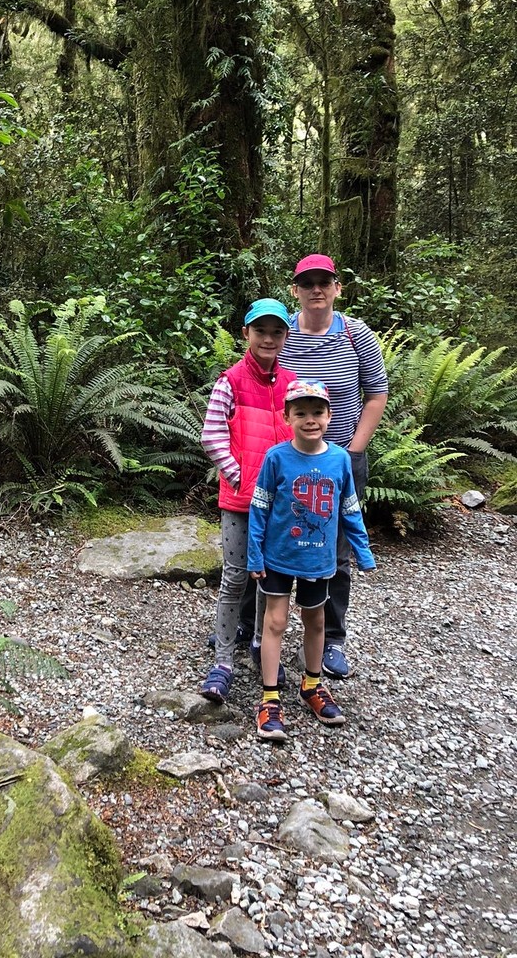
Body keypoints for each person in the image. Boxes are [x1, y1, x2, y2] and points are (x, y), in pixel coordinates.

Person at [277, 253, 388, 679]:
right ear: (296, 290)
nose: (317, 289)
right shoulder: (281, 333)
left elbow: (375, 393)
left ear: (338, 288)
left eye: (325, 282)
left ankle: (332, 639)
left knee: (336, 552)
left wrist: (354, 451)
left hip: (340, 460)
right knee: (274, 541)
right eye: (308, 283)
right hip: (287, 461)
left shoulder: (356, 335)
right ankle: (258, 630)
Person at [248, 379, 376, 743]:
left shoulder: (339, 459)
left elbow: (349, 508)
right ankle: (270, 697)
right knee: (274, 621)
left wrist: (362, 550)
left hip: (319, 561)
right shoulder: (276, 458)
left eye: (317, 412)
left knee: (316, 619)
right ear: (287, 416)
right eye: (300, 412)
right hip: (278, 557)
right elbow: (259, 509)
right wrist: (255, 553)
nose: (310, 419)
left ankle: (313, 684)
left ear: (329, 415)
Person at [198, 298, 296, 703]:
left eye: (276, 332)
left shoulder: (293, 384)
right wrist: (240, 477)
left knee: (269, 580)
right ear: (246, 334)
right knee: (236, 577)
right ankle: (222, 662)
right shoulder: (231, 381)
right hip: (239, 504)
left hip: (280, 506)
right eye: (261, 331)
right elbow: (212, 435)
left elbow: (304, 438)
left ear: (285, 336)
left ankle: (260, 646)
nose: (268, 339)